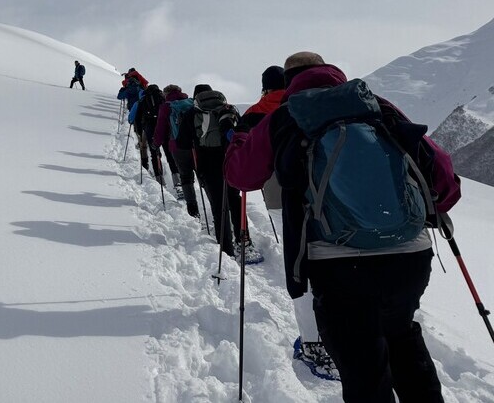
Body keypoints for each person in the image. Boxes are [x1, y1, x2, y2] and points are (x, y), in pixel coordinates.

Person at [225, 52, 462, 402]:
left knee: (362, 365)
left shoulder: (286, 116)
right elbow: (442, 174)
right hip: (409, 254)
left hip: (337, 262)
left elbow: (240, 176)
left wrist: (241, 139)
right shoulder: (377, 107)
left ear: (290, 82)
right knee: (402, 338)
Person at [236, 65, 337, 380]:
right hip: (339, 200)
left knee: (301, 268)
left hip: (285, 201)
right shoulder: (347, 103)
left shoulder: (260, 112)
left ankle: (314, 344)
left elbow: (243, 173)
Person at [176, 84, 262, 264]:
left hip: (207, 165)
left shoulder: (192, 113)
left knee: (218, 205)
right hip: (230, 161)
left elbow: (182, 143)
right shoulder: (228, 109)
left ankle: (226, 251)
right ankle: (244, 241)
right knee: (234, 200)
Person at [153, 84, 188, 202]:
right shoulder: (189, 102)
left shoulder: (166, 106)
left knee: (174, 162)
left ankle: (180, 187)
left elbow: (160, 127)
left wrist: (156, 143)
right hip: (192, 142)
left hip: (173, 140)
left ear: (166, 94)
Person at [134, 84, 166, 184]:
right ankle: (176, 179)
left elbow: (137, 118)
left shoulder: (143, 99)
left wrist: (139, 132)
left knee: (153, 151)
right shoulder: (162, 97)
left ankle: (159, 178)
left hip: (149, 127)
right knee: (168, 151)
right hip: (163, 126)